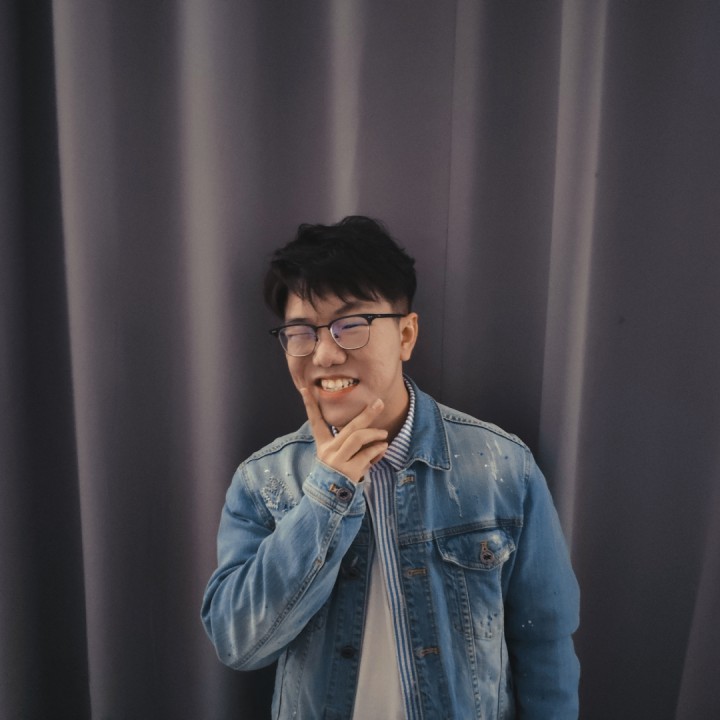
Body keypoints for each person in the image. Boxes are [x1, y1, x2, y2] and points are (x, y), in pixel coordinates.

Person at [201, 216, 580, 719]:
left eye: (351, 325)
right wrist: (327, 495)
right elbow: (237, 644)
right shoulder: (262, 481)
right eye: (301, 332)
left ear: (405, 335)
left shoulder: (502, 466)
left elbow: (545, 645)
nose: (325, 354)